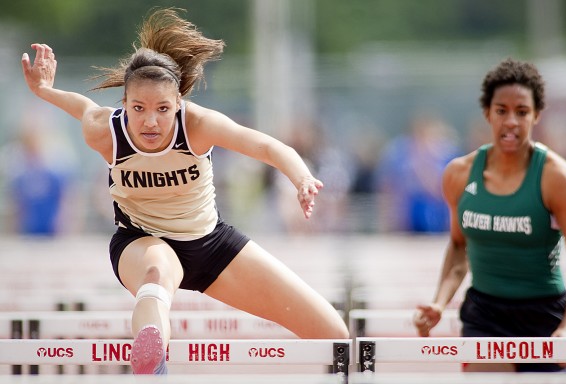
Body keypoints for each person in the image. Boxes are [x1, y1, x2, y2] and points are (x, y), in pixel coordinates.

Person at [21, 8, 348, 375]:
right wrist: (46, 91)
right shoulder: (104, 131)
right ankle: (152, 362)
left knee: (333, 333)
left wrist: (301, 178)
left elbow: (268, 148)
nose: (150, 121)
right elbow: (83, 106)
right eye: (138, 108)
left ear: (178, 104)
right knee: (158, 272)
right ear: (124, 105)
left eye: (162, 108)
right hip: (140, 241)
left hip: (210, 244)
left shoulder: (197, 125)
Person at [414, 58, 566, 372]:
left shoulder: (557, 177)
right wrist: (439, 303)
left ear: (536, 115)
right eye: (502, 111)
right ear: (488, 113)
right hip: (485, 314)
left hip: (544, 316)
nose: (511, 121)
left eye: (522, 112)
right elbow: (459, 247)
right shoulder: (459, 174)